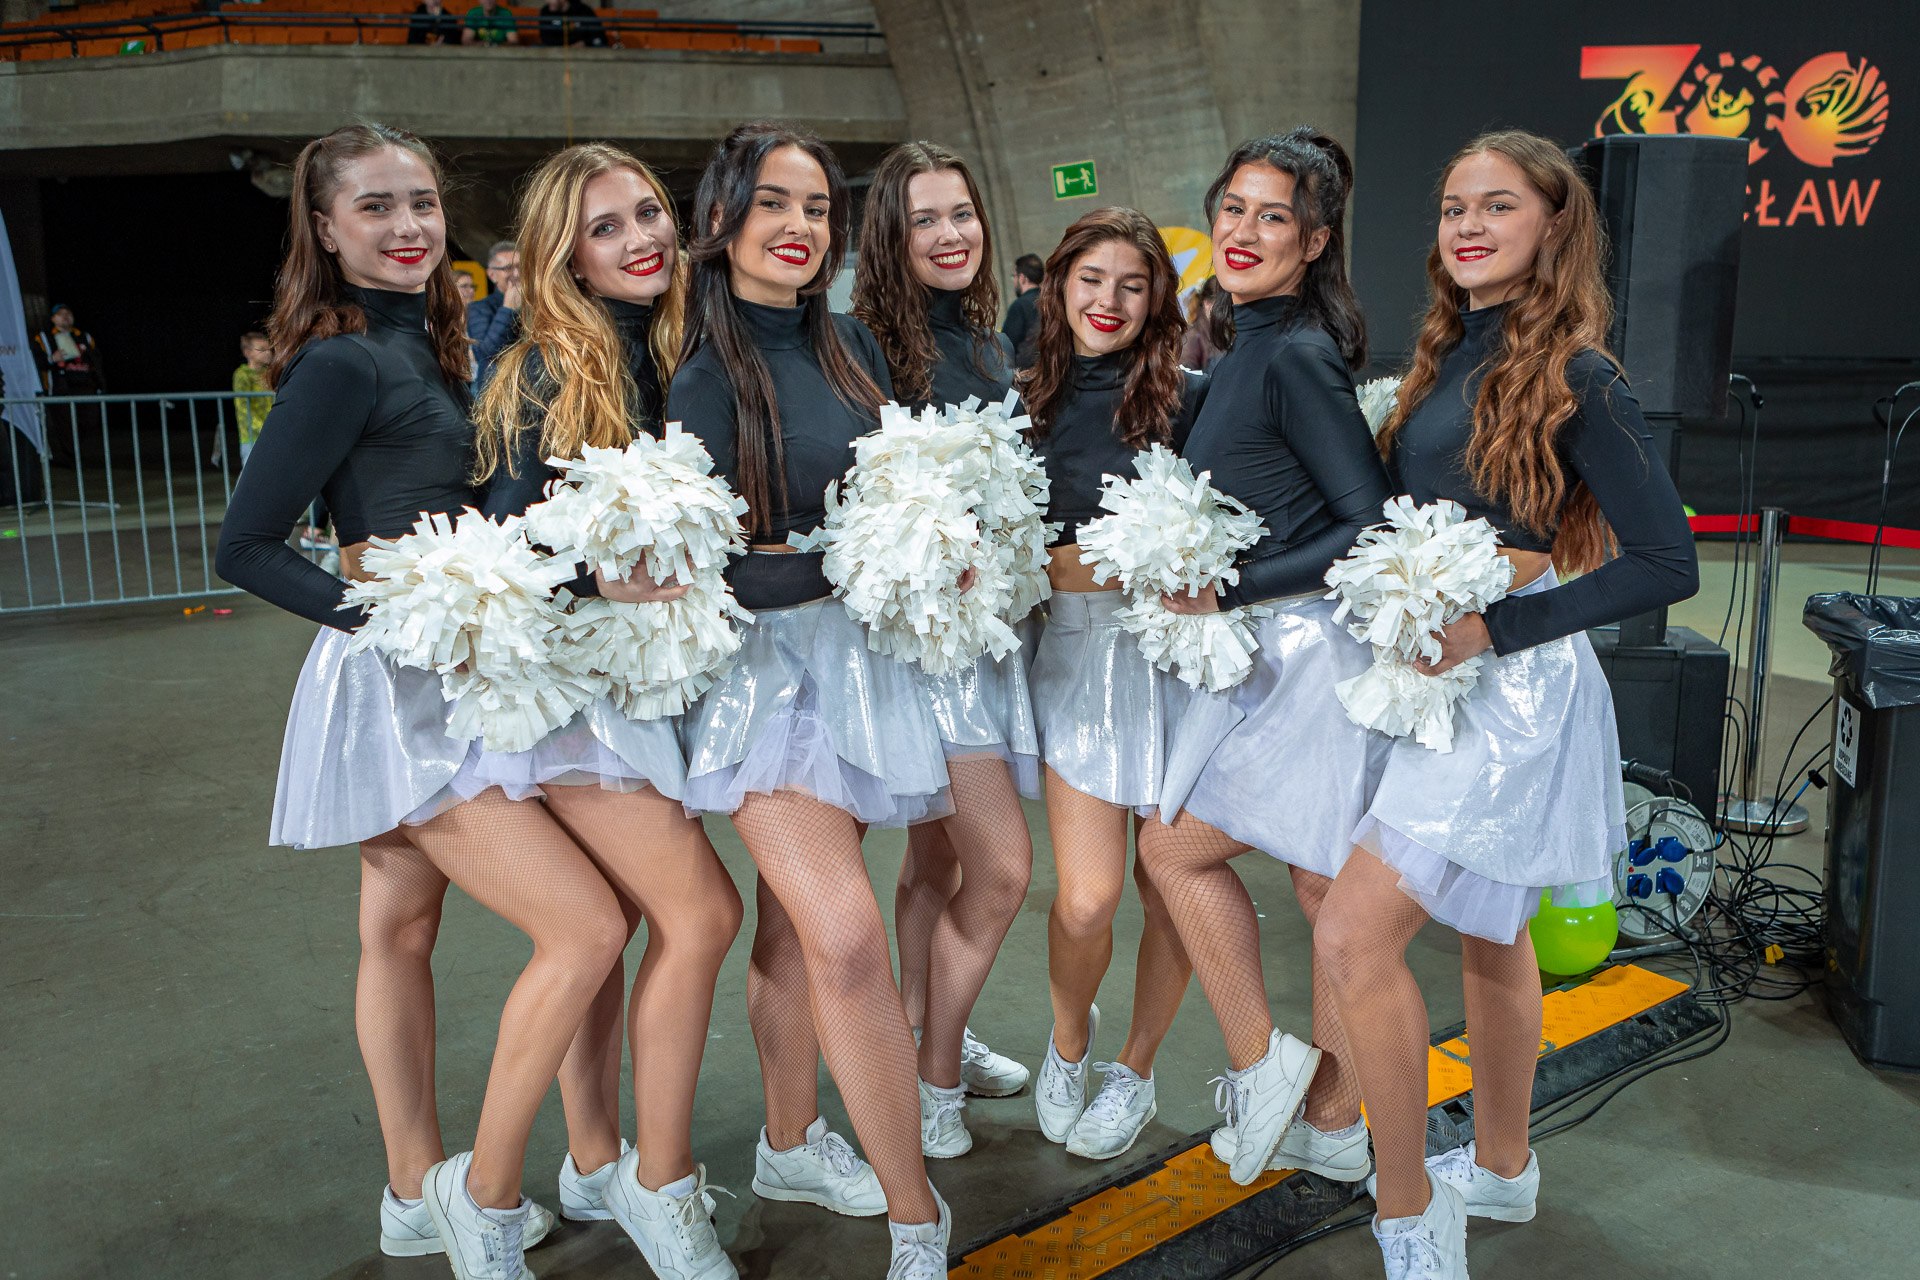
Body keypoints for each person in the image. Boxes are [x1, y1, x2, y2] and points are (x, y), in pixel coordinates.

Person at [213, 122, 629, 1280]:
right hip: (404, 681)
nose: (407, 227)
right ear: (325, 228)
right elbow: (245, 545)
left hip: (473, 665)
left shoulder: (450, 343)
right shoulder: (343, 361)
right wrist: (395, 618)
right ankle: (465, 1188)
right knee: (585, 924)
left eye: (422, 203)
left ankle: (408, 1188)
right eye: (376, 207)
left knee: (397, 928)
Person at [1316, 129, 1697, 1280]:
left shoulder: (1581, 375)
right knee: (1492, 932)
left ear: (1553, 224)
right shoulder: (1443, 355)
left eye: (1496, 205)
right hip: (1433, 684)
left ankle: (1410, 1202)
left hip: (1513, 692)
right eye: (1452, 207)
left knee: (1352, 933)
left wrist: (1495, 626)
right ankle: (1505, 1163)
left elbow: (1666, 562)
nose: (1468, 225)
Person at [667, 120, 952, 1279]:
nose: (800, 227)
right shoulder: (697, 369)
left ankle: (788, 1141)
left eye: (819, 207)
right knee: (846, 934)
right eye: (774, 203)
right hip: (758, 681)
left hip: (859, 666)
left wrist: (927, 546)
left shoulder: (853, 348)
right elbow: (712, 567)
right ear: (722, 218)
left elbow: (885, 502)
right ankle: (918, 1216)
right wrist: (850, 561)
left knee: (794, 923)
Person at [470, 140, 741, 1279]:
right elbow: (501, 538)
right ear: (562, 256)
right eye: (606, 227)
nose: (640, 239)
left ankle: (592, 1158)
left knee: (624, 925)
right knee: (703, 916)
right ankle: (642, 1183)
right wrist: (597, 577)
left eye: (648, 213)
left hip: (638, 682)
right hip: (575, 694)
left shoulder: (664, 349)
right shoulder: (548, 366)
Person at [1133, 128, 1390, 1190]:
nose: (1242, 231)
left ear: (1314, 240)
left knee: (1189, 854)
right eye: (1232, 208)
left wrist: (1225, 588)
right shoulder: (1245, 346)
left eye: (1272, 215)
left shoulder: (1295, 355)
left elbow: (1366, 523)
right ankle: (1324, 1111)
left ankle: (1291, 1080)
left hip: (1311, 658)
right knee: (1311, 886)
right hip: (1271, 656)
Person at [849, 140, 1036, 1157]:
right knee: (1001, 868)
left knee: (936, 857)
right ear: (889, 236)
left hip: (986, 640)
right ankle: (931, 1077)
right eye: (924, 219)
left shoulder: (987, 340)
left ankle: (930, 1028)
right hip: (924, 652)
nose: (950, 234)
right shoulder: (866, 348)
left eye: (961, 213)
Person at [1020, 206, 1208, 1160]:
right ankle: (1069, 1042)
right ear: (1059, 285)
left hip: (1182, 658)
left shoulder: (1194, 399)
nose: (1110, 301)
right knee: (1088, 898)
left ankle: (1135, 1068)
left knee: (1170, 882)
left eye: (1133, 286)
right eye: (1092, 280)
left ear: (1158, 300)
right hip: (1078, 658)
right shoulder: (1020, 405)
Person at [468, 240, 522, 386]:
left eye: (520, 266)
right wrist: (508, 309)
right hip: (495, 389)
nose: (516, 273)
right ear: (492, 275)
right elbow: (484, 353)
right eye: (508, 268)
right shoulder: (478, 308)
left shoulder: (538, 303)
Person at [230, 329, 272, 468]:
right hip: (252, 436)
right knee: (251, 472)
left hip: (270, 433)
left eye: (269, 349)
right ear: (248, 352)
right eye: (262, 349)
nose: (268, 352)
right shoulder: (242, 375)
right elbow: (242, 407)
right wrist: (261, 427)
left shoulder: (268, 373)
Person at [1001, 252, 1042, 368]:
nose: (1014, 281)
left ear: (1022, 278)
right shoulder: (1051, 301)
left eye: (1014, 276)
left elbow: (1006, 346)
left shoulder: (1019, 306)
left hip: (1027, 373)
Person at [1178, 275, 1223, 370]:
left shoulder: (1221, 333)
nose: (1228, 310)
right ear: (1207, 304)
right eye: (1223, 305)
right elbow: (1184, 375)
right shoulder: (1192, 337)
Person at [536, 0, 606, 46]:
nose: (547, 1)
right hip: (556, 50)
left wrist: (585, 43)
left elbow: (599, 36)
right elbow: (546, 39)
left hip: (583, 51)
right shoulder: (545, 12)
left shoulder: (583, 10)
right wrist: (569, 45)